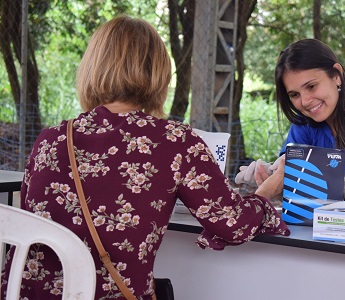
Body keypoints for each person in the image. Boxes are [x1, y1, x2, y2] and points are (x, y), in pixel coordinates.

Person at [1, 15, 289, 299]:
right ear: (159, 73)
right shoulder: (174, 141)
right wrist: (266, 193)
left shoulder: (51, 139)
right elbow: (233, 223)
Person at [235, 38, 345, 200]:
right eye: (294, 94)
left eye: (311, 86)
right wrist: (269, 179)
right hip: (315, 231)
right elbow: (296, 196)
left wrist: (337, 183)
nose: (305, 101)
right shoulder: (303, 125)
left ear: (336, 75)